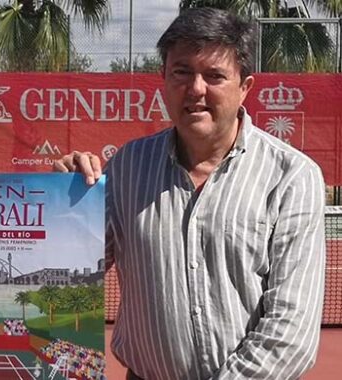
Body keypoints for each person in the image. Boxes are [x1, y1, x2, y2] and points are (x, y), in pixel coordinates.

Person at [54, 7, 325, 380]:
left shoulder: (293, 177)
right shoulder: (127, 166)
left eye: (214, 75)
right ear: (163, 77)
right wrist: (60, 203)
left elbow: (291, 332)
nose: (196, 89)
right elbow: (75, 267)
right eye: (182, 72)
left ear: (245, 87)